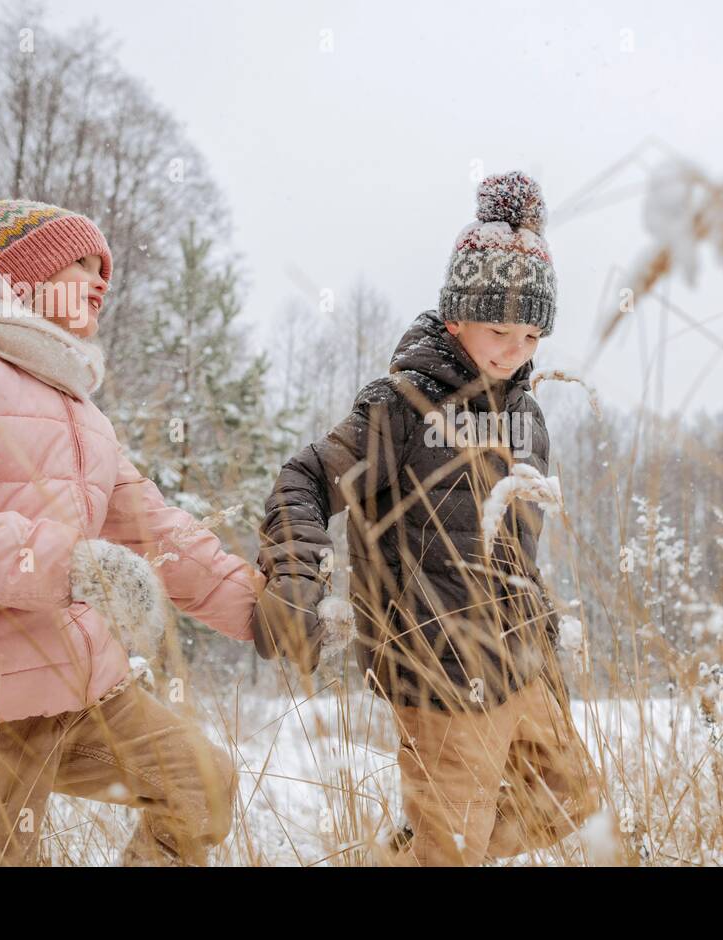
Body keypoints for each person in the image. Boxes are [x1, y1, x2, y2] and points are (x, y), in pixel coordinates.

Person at [0, 184, 265, 865]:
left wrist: (269, 612)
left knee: (199, 783)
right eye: (81, 266)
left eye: (104, 272)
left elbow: (153, 527)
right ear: (21, 273)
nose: (100, 284)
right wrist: (68, 566)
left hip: (76, 683)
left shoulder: (76, 405)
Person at [252, 171, 601, 866]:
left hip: (521, 664)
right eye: (498, 327)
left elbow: (514, 553)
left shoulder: (527, 420)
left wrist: (546, 642)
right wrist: (294, 571)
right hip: (437, 670)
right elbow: (305, 478)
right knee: (453, 851)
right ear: (454, 317)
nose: (514, 349)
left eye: (532, 333)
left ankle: (414, 855)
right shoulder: (399, 411)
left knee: (570, 800)